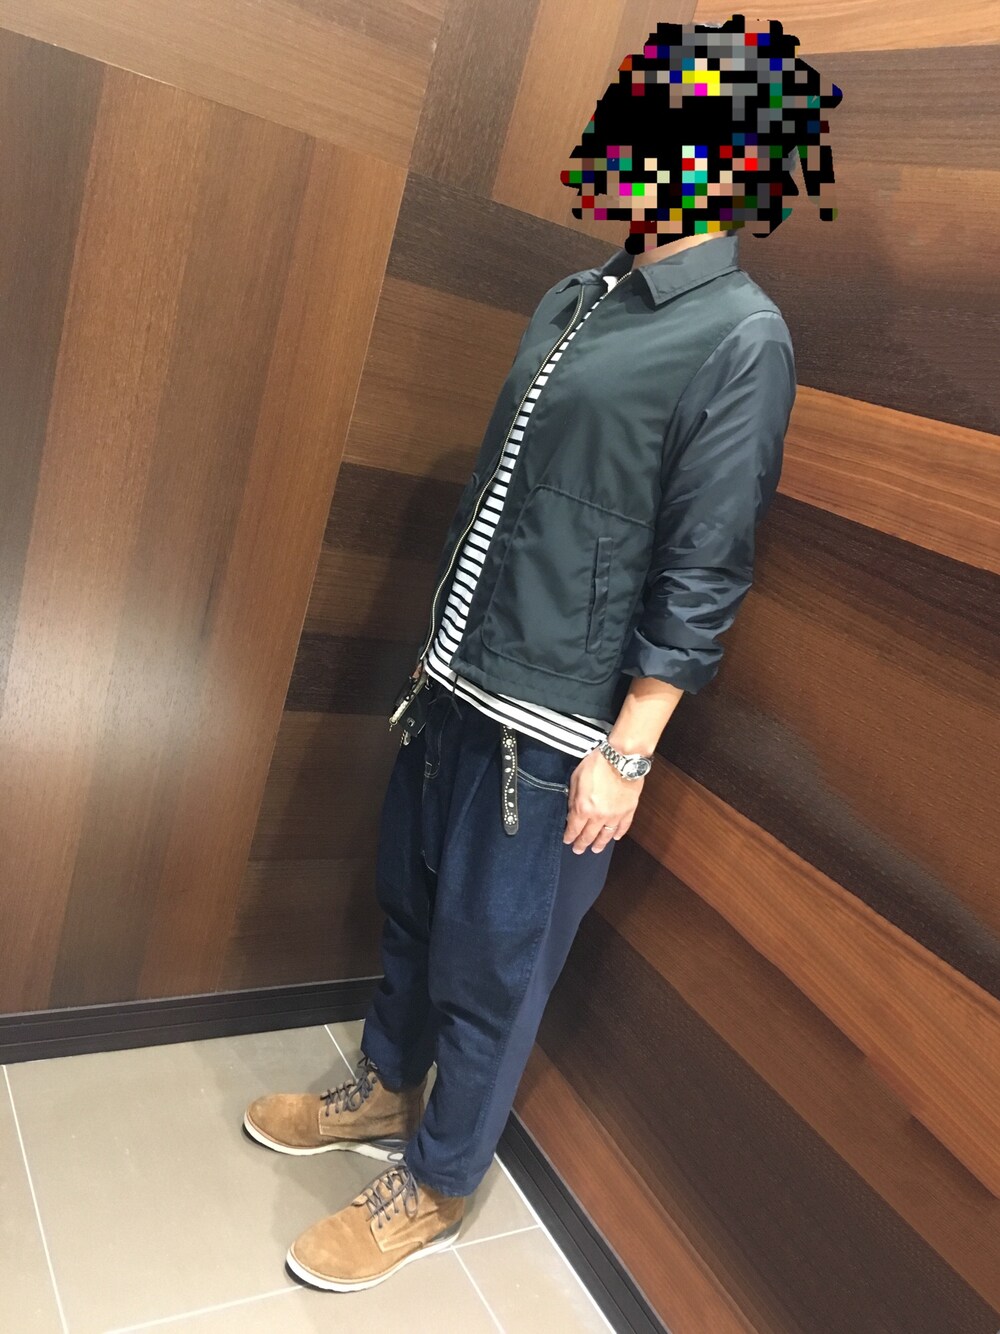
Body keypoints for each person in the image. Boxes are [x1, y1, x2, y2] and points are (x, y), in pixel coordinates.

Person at [243, 13, 840, 1292]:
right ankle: (384, 1082)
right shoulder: (577, 296)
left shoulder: (740, 336)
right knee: (413, 906)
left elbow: (706, 563)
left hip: (557, 724)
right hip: (459, 675)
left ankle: (439, 1176)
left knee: (493, 962)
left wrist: (629, 751)